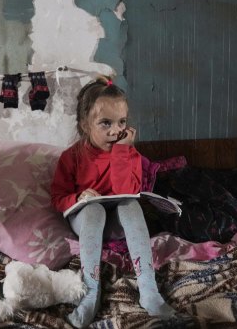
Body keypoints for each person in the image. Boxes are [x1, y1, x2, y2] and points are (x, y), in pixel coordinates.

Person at [51, 76, 176, 328]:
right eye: (105, 123)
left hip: (117, 221)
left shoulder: (129, 154)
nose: (115, 131)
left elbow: (127, 190)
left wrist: (122, 153)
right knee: (94, 208)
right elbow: (58, 198)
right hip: (88, 220)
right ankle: (90, 292)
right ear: (85, 125)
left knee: (130, 205)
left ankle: (149, 290)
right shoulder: (71, 157)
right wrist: (80, 197)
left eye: (121, 122)